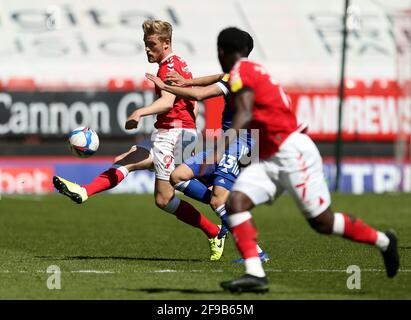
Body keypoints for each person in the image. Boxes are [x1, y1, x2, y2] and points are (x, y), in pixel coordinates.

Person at [207, 27, 400, 293]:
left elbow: (245, 110)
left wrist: (221, 147)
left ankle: (384, 241)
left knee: (323, 223)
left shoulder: (241, 71)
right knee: (236, 202)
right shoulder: (253, 69)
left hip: (291, 151)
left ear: (222, 52)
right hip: (271, 155)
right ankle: (255, 273)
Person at [53, 20, 226, 261]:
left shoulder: (167, 69)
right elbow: (192, 105)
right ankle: (84, 191)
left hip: (173, 136)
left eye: (151, 44)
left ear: (166, 44)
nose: (147, 49)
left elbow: (167, 102)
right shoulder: (179, 64)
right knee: (125, 161)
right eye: (145, 44)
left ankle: (217, 226)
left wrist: (139, 113)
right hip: (170, 134)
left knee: (164, 198)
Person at [145, 33, 269, 263]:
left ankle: (255, 252)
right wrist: (186, 81)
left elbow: (202, 95)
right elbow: (214, 78)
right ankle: (229, 213)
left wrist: (167, 87)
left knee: (217, 201)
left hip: (242, 143)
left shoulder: (242, 77)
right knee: (178, 176)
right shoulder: (239, 72)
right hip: (226, 142)